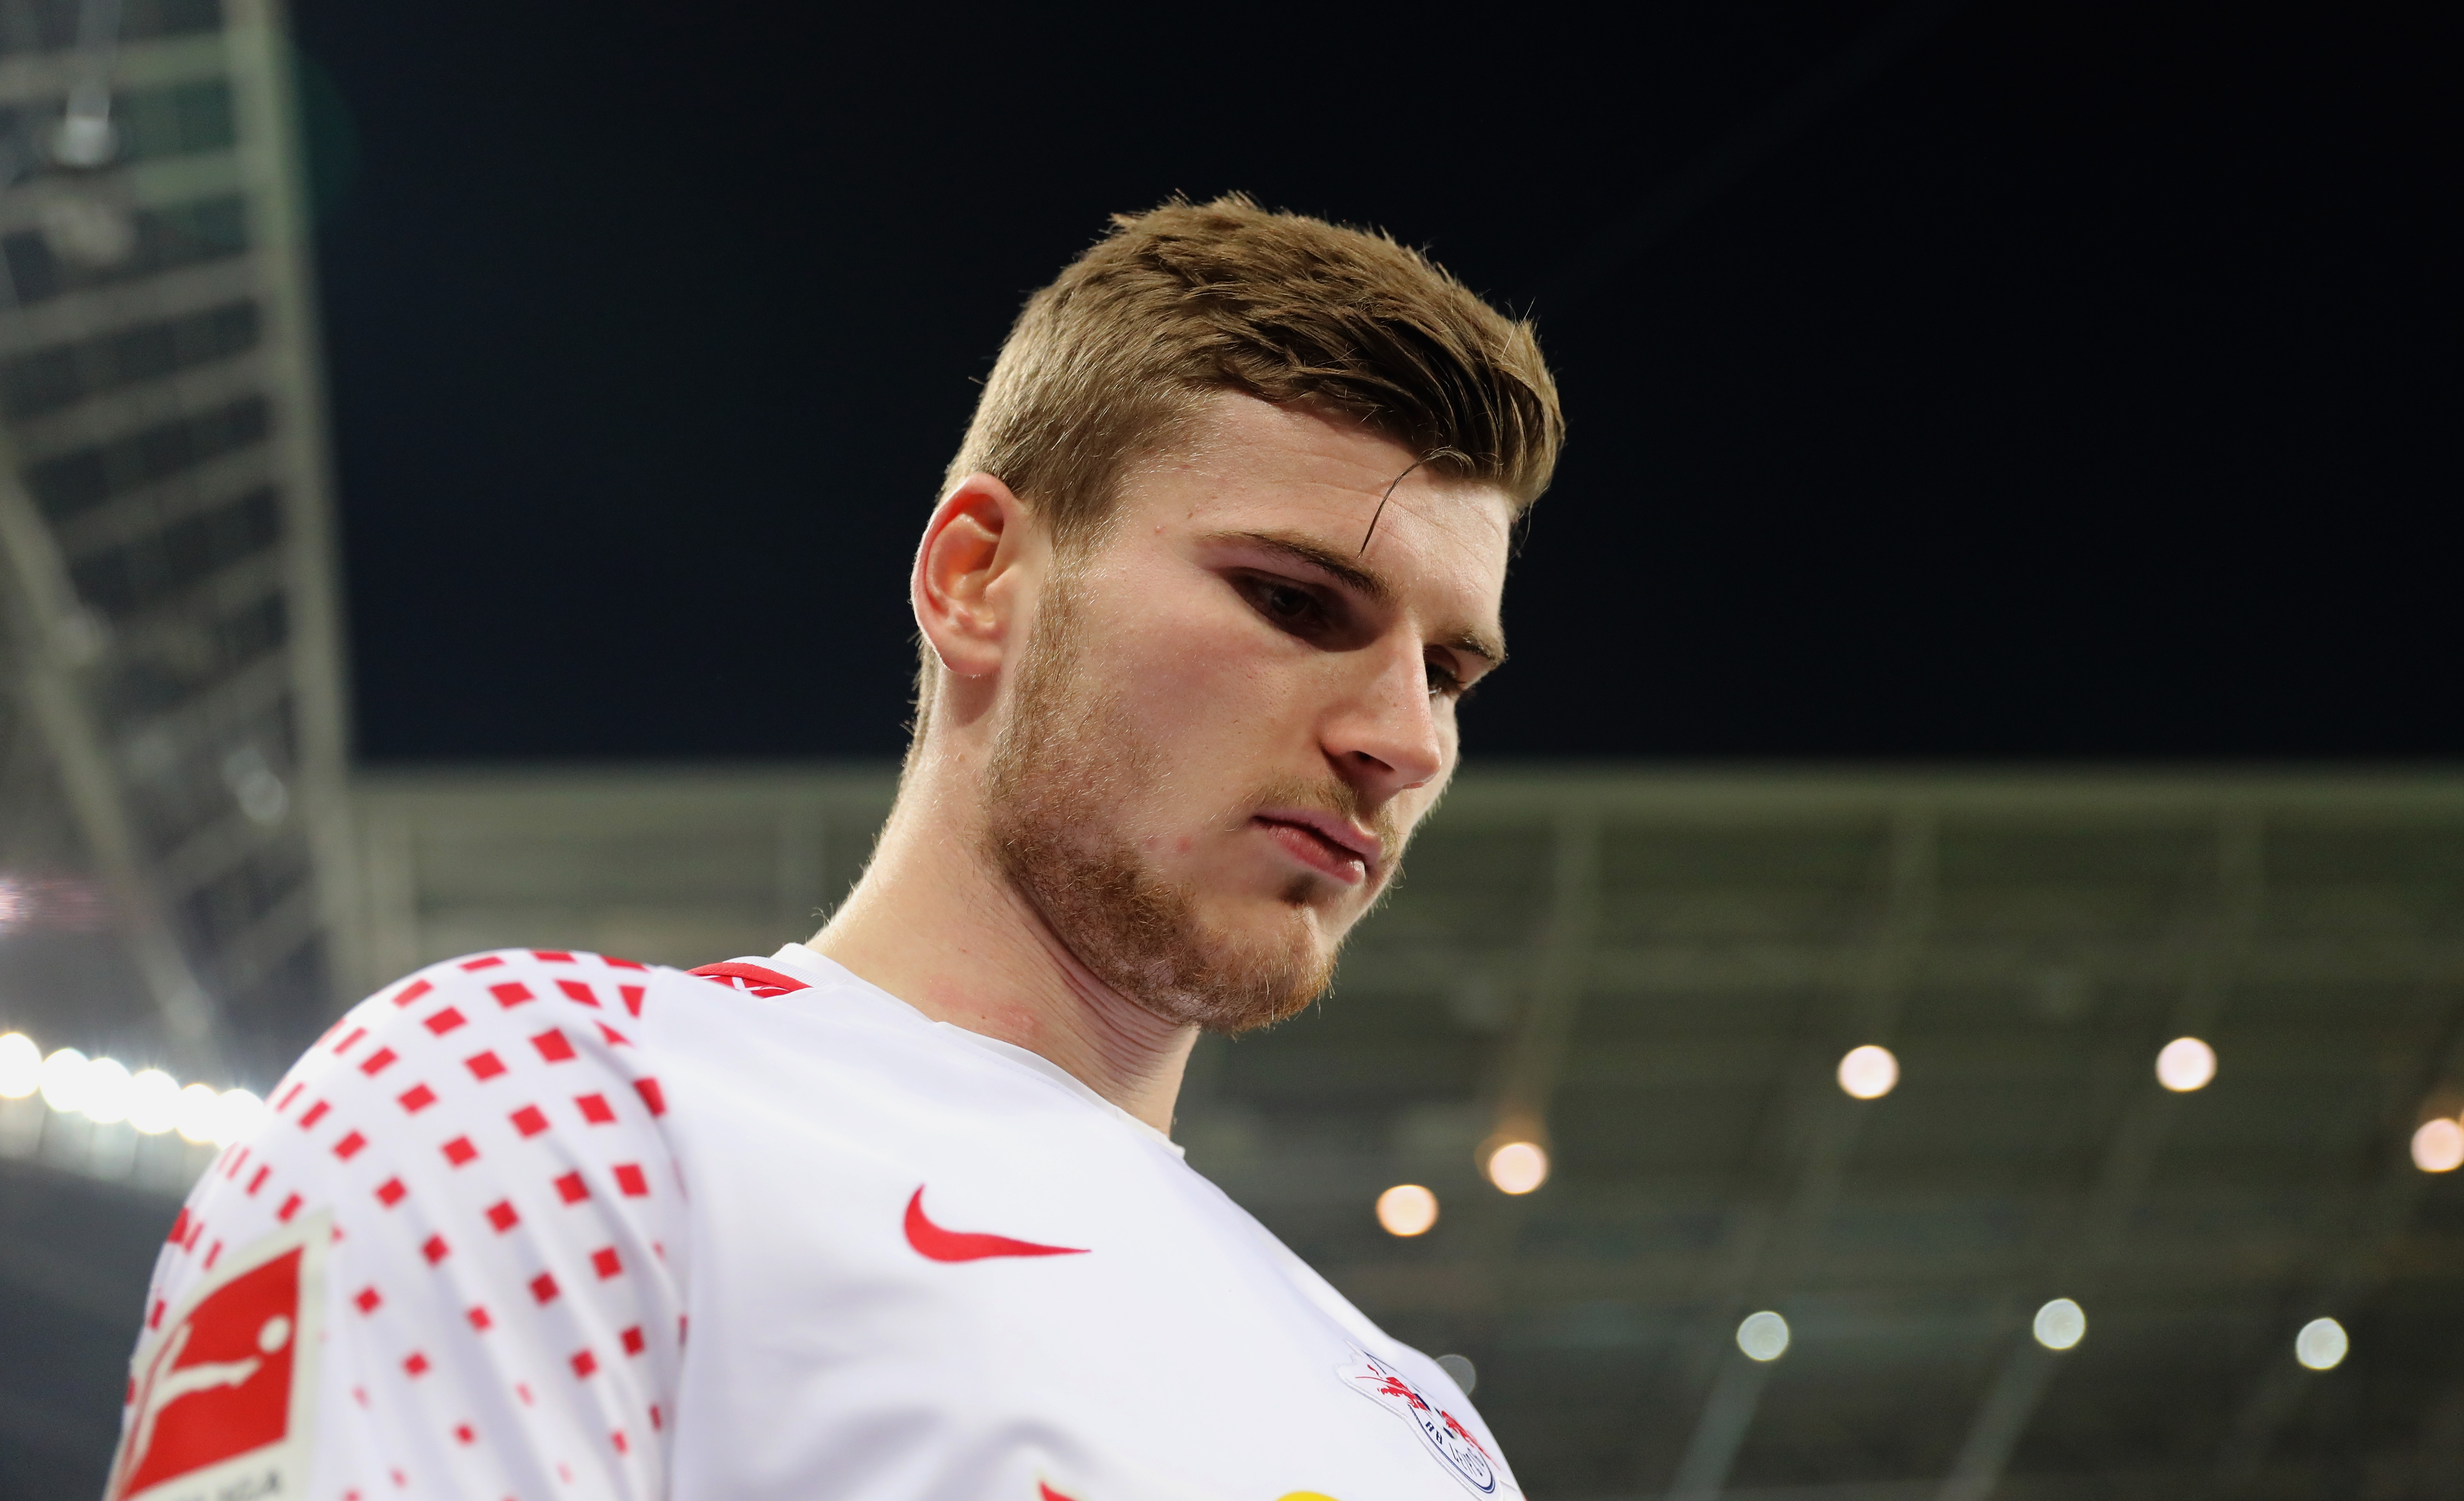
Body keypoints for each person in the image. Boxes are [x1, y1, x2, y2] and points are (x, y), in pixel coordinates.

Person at [107, 194, 1563, 1501]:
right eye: (1298, 604)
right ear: (978, 578)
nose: (1405, 741)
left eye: (1447, 674)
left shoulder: (1426, 1438)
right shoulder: (550, 1105)